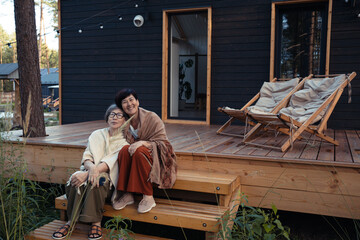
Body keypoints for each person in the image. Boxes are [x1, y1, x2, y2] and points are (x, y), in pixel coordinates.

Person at [52, 104, 129, 240]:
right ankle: (71, 221)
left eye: (119, 115)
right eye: (111, 114)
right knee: (75, 179)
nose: (114, 117)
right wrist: (90, 169)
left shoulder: (125, 141)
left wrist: (89, 174)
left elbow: (109, 163)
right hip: (89, 169)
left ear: (125, 119)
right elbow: (87, 157)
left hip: (109, 178)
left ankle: (96, 222)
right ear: (107, 117)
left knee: (97, 181)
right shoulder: (96, 134)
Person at [112, 88, 177, 213]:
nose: (129, 104)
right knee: (124, 150)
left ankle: (148, 196)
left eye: (131, 100)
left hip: (156, 154)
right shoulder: (123, 122)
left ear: (138, 101)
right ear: (121, 106)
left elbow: (164, 143)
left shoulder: (151, 117)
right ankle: (127, 194)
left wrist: (143, 143)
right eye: (125, 102)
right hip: (134, 155)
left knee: (139, 151)